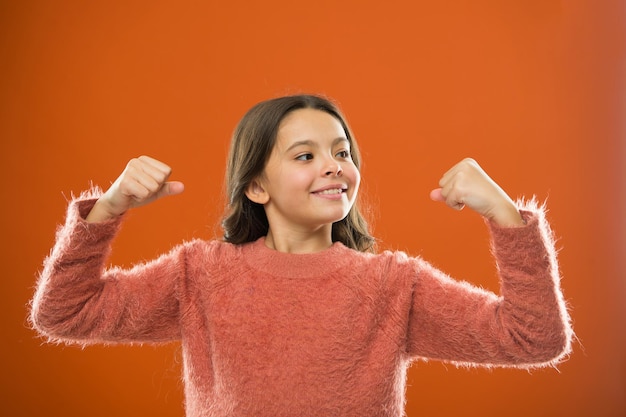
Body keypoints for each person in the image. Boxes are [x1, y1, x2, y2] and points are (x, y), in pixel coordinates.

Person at [30, 94, 572, 417]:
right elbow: (65, 313)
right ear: (257, 187)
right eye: (305, 155)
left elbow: (533, 338)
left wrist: (505, 216)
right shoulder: (200, 273)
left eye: (342, 152)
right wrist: (110, 207)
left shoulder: (393, 284)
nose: (334, 165)